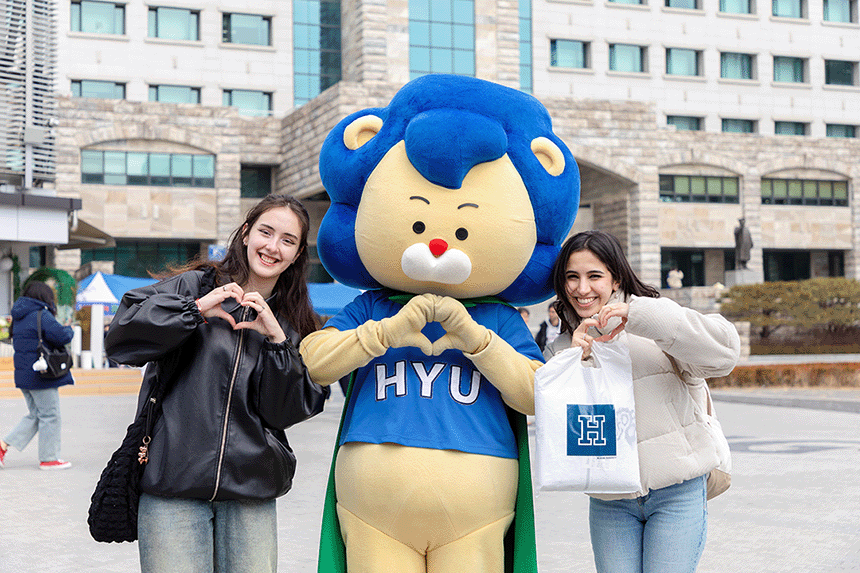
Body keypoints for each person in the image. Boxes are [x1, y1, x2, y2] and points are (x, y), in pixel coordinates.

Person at [104, 194, 328, 573]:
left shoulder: (298, 322)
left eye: (287, 240)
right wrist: (193, 310)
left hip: (250, 495)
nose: (272, 247)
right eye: (266, 232)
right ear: (245, 233)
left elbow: (288, 411)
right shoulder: (194, 285)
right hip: (171, 488)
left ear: (296, 256)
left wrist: (276, 340)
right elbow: (122, 338)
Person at [543, 230, 740, 573]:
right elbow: (555, 426)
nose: (582, 288)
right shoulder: (562, 348)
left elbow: (725, 353)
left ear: (615, 277)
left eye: (594, 276)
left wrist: (640, 315)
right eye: (572, 277)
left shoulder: (654, 325)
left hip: (676, 492)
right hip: (610, 500)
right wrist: (572, 362)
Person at [0, 281, 74, 470]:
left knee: (36, 415)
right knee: (50, 415)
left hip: (24, 374)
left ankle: (2, 446)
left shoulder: (19, 316)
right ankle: (49, 458)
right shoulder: (42, 314)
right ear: (44, 297)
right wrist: (69, 329)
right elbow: (61, 336)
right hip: (41, 374)